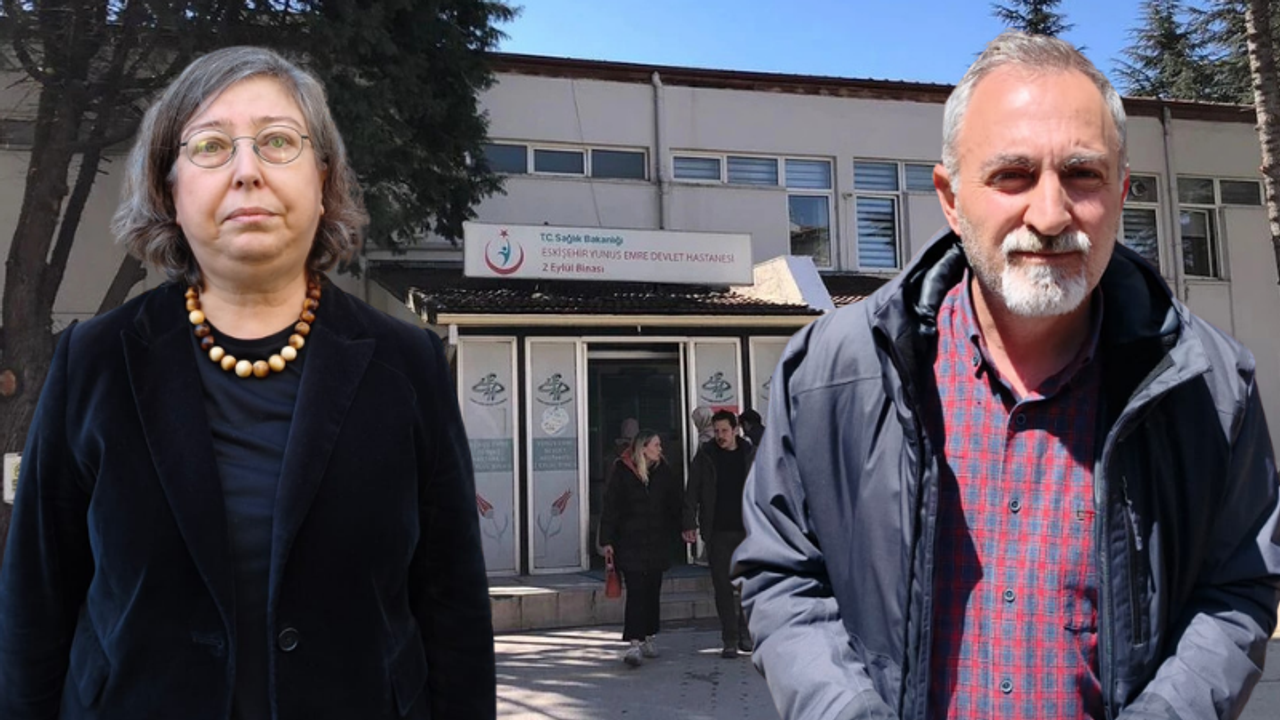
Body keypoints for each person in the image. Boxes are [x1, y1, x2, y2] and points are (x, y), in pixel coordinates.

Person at [735, 31, 1280, 720]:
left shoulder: (1212, 389)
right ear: (951, 197)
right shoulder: (830, 376)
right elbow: (784, 574)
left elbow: (1234, 590)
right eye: (1013, 175)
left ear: (1121, 192)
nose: (1050, 215)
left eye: (1082, 175)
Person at [0, 47, 494, 720]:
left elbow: (452, 605)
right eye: (210, 146)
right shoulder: (93, 361)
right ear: (170, 189)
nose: (246, 170)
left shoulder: (407, 365)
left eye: (278, 141)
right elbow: (35, 602)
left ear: (323, 178)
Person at [599, 430, 684, 667]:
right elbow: (611, 507)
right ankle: (634, 643)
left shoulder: (663, 472)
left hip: (656, 541)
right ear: (643, 448)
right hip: (629, 541)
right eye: (656, 445)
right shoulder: (623, 471)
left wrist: (684, 528)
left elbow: (674, 504)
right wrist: (607, 540)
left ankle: (649, 636)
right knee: (636, 591)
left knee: (652, 590)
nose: (660, 449)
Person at [684, 410, 756, 658]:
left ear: (735, 430)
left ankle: (746, 633)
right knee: (723, 586)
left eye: (725, 430)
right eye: (716, 431)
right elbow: (692, 490)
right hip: (717, 531)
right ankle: (730, 638)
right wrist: (689, 523)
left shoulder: (750, 454)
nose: (720, 436)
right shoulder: (706, 455)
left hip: (748, 531)